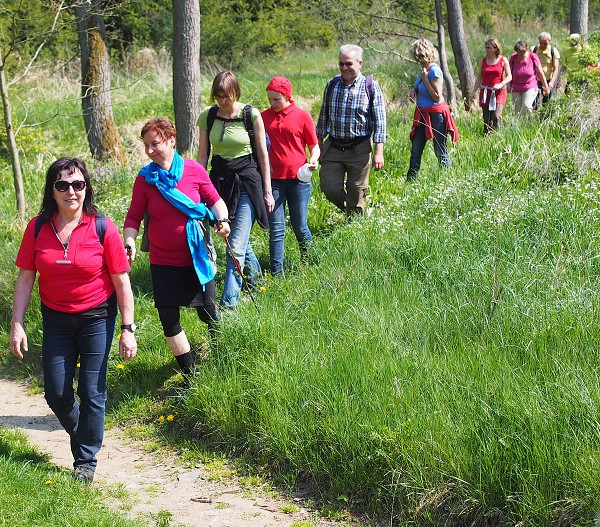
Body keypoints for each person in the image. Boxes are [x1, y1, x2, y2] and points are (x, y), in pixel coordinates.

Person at [10, 157, 137, 484]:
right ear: (52, 190)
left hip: (97, 318)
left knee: (92, 390)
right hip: (57, 320)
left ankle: (85, 461)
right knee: (55, 392)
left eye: (78, 184)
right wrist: (17, 323)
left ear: (86, 188)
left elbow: (122, 282)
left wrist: (127, 329)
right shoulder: (37, 228)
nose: (71, 191)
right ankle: (84, 432)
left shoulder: (102, 226)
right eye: (63, 185)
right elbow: (25, 279)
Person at [123, 118, 231, 378]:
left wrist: (223, 221)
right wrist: (129, 241)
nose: (150, 150)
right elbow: (133, 217)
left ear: (171, 140)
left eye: (155, 144)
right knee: (169, 318)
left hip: (197, 259)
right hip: (163, 261)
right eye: (146, 145)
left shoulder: (194, 170)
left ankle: (224, 353)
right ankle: (190, 375)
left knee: (208, 312)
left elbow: (215, 201)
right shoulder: (145, 179)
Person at [197, 71, 274, 308]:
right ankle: (256, 279)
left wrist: (268, 191)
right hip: (219, 182)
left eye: (226, 95)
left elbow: (263, 155)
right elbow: (202, 155)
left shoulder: (251, 115)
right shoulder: (207, 117)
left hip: (247, 181)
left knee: (235, 247)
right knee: (232, 235)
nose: (222, 100)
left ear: (235, 92)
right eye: (218, 96)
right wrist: (197, 188)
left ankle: (228, 307)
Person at [316, 44, 386, 216]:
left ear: (360, 63)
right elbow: (323, 115)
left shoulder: (370, 87)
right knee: (329, 186)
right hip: (333, 146)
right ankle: (353, 210)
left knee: (356, 189)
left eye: (348, 64)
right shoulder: (332, 85)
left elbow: (380, 121)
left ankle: (355, 222)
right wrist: (318, 145)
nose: (344, 68)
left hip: (359, 148)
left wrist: (379, 152)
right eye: (341, 64)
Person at [261, 76, 320, 276]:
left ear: (287, 96)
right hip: (273, 181)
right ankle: (277, 273)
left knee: (300, 226)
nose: (272, 104)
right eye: (270, 99)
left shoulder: (302, 116)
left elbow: (314, 145)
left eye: (276, 99)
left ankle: (311, 262)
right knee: (276, 229)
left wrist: (314, 160)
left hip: (298, 180)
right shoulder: (262, 117)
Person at [407, 38, 459, 181]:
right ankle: (411, 181)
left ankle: (447, 181)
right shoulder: (423, 70)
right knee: (416, 149)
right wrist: (414, 90)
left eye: (418, 54)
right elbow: (420, 86)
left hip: (436, 115)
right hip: (422, 114)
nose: (417, 57)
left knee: (440, 150)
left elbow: (437, 96)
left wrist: (425, 80)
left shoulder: (434, 71)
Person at [472, 38, 512, 134]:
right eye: (486, 47)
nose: (487, 49)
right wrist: (473, 91)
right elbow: (479, 77)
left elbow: (509, 76)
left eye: (489, 47)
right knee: (487, 118)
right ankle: (487, 136)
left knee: (496, 115)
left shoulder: (503, 60)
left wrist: (501, 84)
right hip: (486, 91)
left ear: (495, 48)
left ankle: (498, 134)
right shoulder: (484, 61)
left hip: (499, 92)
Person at [509, 40, 550, 115]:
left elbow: (540, 73)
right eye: (519, 52)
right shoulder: (513, 57)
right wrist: (508, 85)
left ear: (527, 50)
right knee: (517, 111)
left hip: (530, 86)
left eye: (523, 52)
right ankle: (520, 126)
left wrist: (546, 87)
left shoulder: (533, 57)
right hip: (516, 87)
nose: (520, 54)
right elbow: (508, 72)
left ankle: (528, 122)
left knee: (526, 106)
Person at [533, 32, 561, 105]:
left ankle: (545, 116)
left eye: (545, 43)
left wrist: (551, 83)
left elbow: (555, 69)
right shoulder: (534, 49)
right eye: (541, 43)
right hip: (536, 80)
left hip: (549, 79)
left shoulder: (553, 51)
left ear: (549, 41)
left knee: (547, 103)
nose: (542, 45)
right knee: (535, 103)